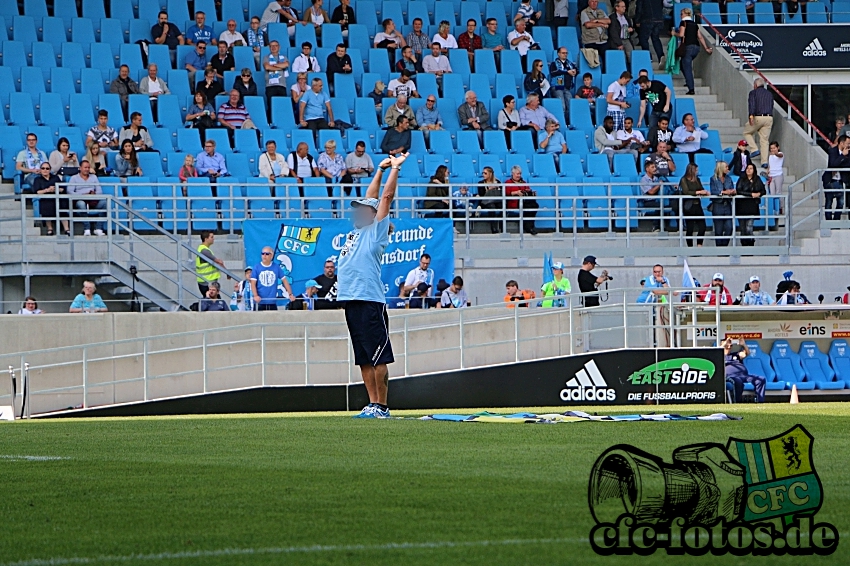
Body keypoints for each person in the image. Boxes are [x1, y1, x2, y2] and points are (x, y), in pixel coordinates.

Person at [338, 153, 405, 418]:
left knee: (378, 356)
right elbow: (373, 195)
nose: (357, 210)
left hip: (368, 300)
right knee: (363, 357)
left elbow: (384, 198)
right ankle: (371, 403)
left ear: (372, 213)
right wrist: (378, 169)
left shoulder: (376, 232)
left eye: (363, 208)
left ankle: (382, 406)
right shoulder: (357, 231)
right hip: (351, 300)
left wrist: (395, 170)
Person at [675, 8, 712, 96]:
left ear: (684, 14)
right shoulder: (694, 24)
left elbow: (681, 34)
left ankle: (691, 88)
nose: (680, 15)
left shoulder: (683, 23)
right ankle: (689, 82)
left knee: (687, 68)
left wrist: (674, 33)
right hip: (696, 48)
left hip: (688, 47)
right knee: (682, 65)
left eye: (681, 14)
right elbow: (700, 37)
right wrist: (706, 48)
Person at [67, 161, 105, 236]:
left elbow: (100, 191)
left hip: (93, 200)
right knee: (81, 204)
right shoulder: (74, 178)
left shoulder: (94, 177)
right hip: (80, 200)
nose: (87, 169)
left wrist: (94, 195)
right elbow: (70, 191)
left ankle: (98, 228)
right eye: (85, 167)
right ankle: (87, 228)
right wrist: (83, 195)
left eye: (88, 167)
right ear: (80, 168)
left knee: (105, 202)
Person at [32, 162, 70, 235]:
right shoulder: (37, 179)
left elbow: (63, 189)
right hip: (45, 198)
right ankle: (50, 229)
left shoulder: (55, 178)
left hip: (57, 197)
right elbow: (37, 192)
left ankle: (67, 229)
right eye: (43, 168)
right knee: (47, 205)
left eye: (47, 168)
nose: (45, 170)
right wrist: (47, 190)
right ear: (40, 170)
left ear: (50, 170)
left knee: (62, 204)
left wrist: (56, 189)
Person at [251, 246, 293, 311]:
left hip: (272, 302)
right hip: (260, 302)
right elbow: (253, 283)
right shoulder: (256, 267)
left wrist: (290, 294)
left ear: (272, 255)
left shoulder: (276, 267)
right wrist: (255, 295)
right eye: (263, 253)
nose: (264, 255)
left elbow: (285, 281)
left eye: (267, 254)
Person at [723, 338, 765, 403]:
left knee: (761, 380)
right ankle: (737, 402)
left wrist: (744, 345)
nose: (729, 347)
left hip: (744, 375)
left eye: (730, 346)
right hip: (731, 377)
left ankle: (760, 402)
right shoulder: (719, 356)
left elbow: (747, 353)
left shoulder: (735, 354)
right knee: (738, 382)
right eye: (727, 346)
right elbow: (715, 353)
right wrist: (723, 344)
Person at [744, 78, 774, 167]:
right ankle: (764, 162)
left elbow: (752, 105)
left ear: (755, 85)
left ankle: (754, 149)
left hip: (758, 117)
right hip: (769, 118)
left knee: (747, 132)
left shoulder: (753, 93)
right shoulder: (769, 94)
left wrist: (751, 116)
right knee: (764, 140)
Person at [679, 162, 709, 247]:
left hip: (697, 205)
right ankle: (690, 247)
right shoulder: (684, 179)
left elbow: (701, 188)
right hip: (689, 206)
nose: (697, 171)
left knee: (702, 226)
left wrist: (704, 192)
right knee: (690, 228)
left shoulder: (697, 179)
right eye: (696, 170)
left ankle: (699, 244)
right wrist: (698, 192)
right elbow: (686, 191)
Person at [736, 162, 766, 246]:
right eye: (747, 168)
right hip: (741, 206)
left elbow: (764, 191)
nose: (748, 170)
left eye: (751, 168)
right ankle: (744, 246)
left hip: (752, 206)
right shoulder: (741, 179)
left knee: (749, 227)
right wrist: (750, 194)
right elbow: (738, 190)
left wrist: (759, 194)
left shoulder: (757, 179)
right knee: (743, 229)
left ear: (754, 170)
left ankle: (750, 245)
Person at [823, 135, 850, 221]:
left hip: (841, 180)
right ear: (842, 143)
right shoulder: (832, 151)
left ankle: (836, 221)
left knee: (841, 202)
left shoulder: (848, 153)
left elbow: (847, 164)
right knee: (829, 201)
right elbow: (833, 164)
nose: (849, 145)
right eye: (847, 143)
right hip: (830, 180)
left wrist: (840, 161)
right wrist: (842, 156)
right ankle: (828, 221)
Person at [505, 165, 538, 235]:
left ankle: (530, 226)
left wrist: (531, 193)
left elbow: (528, 190)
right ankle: (529, 227)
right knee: (530, 206)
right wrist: (516, 193)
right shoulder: (508, 182)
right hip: (514, 202)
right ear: (513, 174)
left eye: (520, 174)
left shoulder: (524, 182)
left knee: (534, 205)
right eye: (517, 174)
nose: (519, 175)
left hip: (525, 201)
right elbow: (506, 193)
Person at [710, 160, 736, 247]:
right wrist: (724, 192)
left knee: (729, 228)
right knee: (718, 230)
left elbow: (732, 188)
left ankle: (724, 246)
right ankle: (719, 249)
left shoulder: (729, 178)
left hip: (727, 205)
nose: (728, 168)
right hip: (718, 206)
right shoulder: (713, 179)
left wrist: (732, 191)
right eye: (726, 167)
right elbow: (714, 191)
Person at [549, 47, 578, 123]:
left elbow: (576, 70)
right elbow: (554, 72)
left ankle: (568, 122)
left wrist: (575, 72)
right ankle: (561, 122)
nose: (565, 54)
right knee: (562, 106)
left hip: (567, 88)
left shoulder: (570, 63)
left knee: (570, 105)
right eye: (563, 53)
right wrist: (567, 72)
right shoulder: (554, 64)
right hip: (557, 87)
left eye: (566, 53)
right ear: (558, 54)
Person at [580, 0, 610, 71]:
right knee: (593, 60)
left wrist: (596, 20)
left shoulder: (601, 11)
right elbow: (588, 24)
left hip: (602, 40)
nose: (594, 3)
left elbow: (608, 21)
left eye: (596, 1)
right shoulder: (584, 12)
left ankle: (605, 73)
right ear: (588, 2)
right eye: (592, 1)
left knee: (607, 57)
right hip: (590, 41)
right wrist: (601, 24)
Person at [635, 0, 665, 66]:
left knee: (643, 39)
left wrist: (637, 20)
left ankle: (648, 57)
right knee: (656, 39)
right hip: (659, 20)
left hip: (647, 19)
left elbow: (639, 8)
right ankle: (661, 56)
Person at [196, 230, 225, 297]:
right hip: (207, 282)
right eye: (211, 237)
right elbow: (218, 261)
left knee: (212, 303)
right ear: (206, 239)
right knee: (215, 302)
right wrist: (227, 273)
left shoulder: (202, 249)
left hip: (206, 281)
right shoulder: (204, 250)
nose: (213, 239)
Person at [264, 40, 290, 113]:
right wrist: (280, 67)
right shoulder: (266, 57)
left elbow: (286, 64)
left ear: (279, 47)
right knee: (271, 106)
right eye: (271, 46)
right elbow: (267, 67)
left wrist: (273, 66)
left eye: (275, 45)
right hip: (270, 86)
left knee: (282, 106)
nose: (273, 47)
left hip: (281, 85)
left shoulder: (284, 57)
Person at [479, 166, 504, 233]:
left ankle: (503, 228)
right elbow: (481, 195)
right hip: (486, 202)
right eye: (483, 173)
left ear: (490, 174)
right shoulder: (480, 183)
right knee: (492, 207)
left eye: (485, 173)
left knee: (502, 206)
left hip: (496, 200)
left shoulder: (497, 182)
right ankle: (494, 228)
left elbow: (501, 192)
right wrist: (489, 189)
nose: (483, 175)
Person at [640, 160, 663, 231]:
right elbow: (651, 192)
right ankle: (656, 226)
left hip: (657, 199)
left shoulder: (656, 178)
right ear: (647, 169)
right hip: (648, 201)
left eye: (655, 167)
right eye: (652, 167)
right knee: (659, 206)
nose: (655, 169)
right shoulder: (644, 180)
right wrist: (659, 185)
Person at [767, 141, 785, 207]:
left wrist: (775, 153)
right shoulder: (770, 156)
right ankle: (774, 207)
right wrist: (768, 171)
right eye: (771, 148)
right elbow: (770, 165)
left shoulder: (780, 154)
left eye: (774, 148)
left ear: (778, 147)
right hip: (771, 176)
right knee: (772, 193)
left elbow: (779, 155)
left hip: (778, 175)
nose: (772, 149)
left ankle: (780, 207)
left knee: (778, 192)